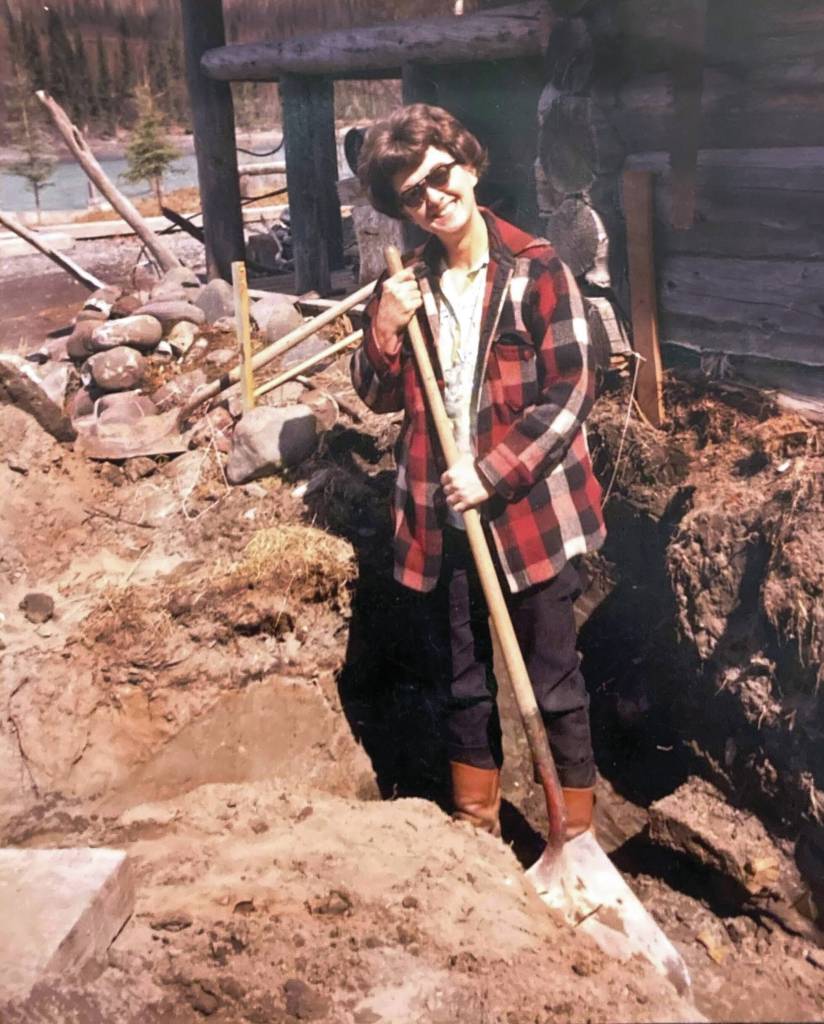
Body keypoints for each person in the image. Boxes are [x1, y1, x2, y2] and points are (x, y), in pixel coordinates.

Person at [351, 104, 606, 839]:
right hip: (443, 522)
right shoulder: (406, 284)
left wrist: (491, 473)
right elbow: (374, 395)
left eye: (440, 176)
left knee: (553, 683)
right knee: (462, 686)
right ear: (401, 209)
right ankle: (478, 833)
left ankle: (572, 839)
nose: (434, 198)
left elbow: (573, 388)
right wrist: (384, 329)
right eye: (412, 194)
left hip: (530, 515)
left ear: (467, 165)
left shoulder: (536, 267)